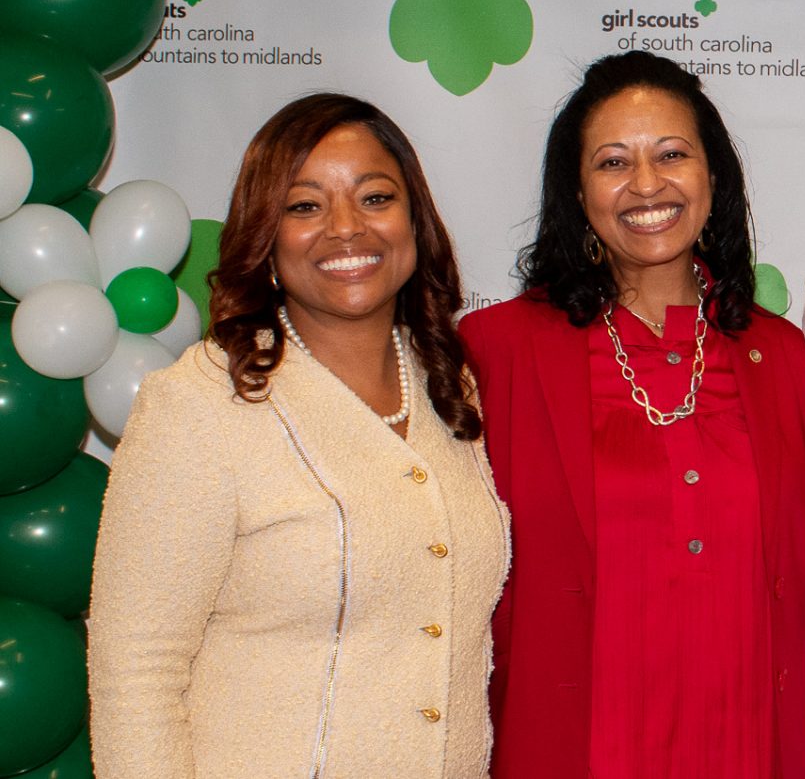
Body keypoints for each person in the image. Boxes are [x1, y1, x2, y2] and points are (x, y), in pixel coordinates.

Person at [88, 93, 509, 779]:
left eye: (375, 198)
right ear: (267, 236)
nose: (346, 229)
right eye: (305, 206)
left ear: (415, 220)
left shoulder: (450, 387)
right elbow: (135, 671)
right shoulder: (200, 404)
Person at [460, 51, 805, 779]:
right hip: (576, 747)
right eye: (612, 162)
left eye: (672, 155)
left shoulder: (777, 353)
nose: (647, 184)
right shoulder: (498, 350)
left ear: (713, 177)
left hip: (747, 743)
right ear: (576, 190)